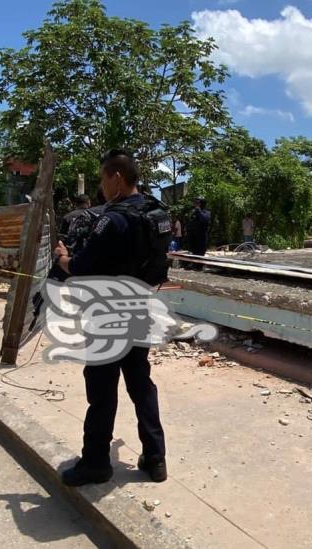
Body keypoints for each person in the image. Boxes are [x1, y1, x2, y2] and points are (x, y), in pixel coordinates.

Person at [53, 150, 168, 486]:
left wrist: (63, 258)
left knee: (102, 389)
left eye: (103, 178)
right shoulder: (153, 211)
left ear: (117, 177)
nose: (101, 187)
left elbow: (80, 266)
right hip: (141, 307)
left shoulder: (112, 219)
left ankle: (95, 463)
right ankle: (156, 459)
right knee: (140, 384)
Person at [186, 197, 211, 269]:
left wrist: (199, 211)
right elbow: (190, 222)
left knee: (200, 253)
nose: (195, 205)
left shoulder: (206, 212)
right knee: (194, 252)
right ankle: (194, 264)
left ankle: (199, 266)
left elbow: (205, 220)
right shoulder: (194, 212)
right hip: (193, 236)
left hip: (202, 237)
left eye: (197, 203)